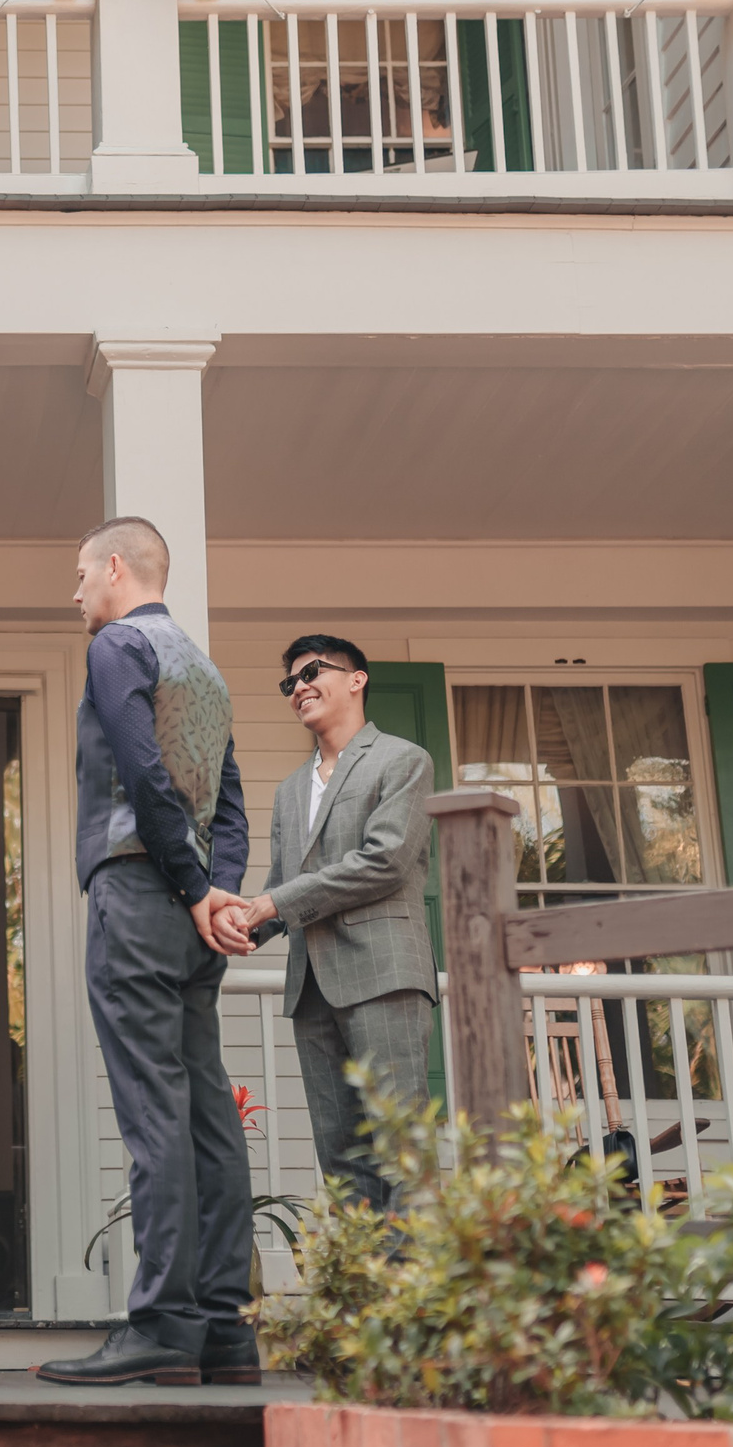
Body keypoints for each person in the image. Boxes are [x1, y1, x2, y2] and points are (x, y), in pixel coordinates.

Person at [40, 517, 258, 1389]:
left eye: (81, 573)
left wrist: (185, 880)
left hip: (137, 893)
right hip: (192, 909)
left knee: (153, 1112)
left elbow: (140, 772)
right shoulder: (203, 666)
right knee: (207, 1112)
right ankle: (226, 1331)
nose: (76, 592)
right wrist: (217, 892)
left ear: (116, 568)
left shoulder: (118, 647)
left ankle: (163, 1322)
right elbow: (233, 800)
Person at [222, 634, 436, 1213]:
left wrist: (274, 905)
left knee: (401, 1148)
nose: (299, 688)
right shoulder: (292, 789)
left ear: (357, 678)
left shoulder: (404, 760)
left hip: (384, 975)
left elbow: (384, 861)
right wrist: (240, 922)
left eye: (312, 671)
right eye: (290, 682)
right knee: (340, 1156)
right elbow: (280, 883)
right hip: (311, 988)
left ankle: (413, 1299)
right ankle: (360, 1297)